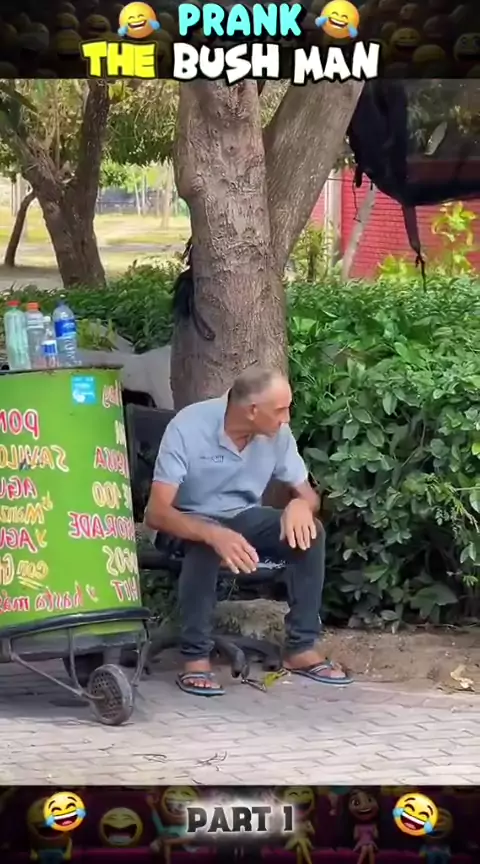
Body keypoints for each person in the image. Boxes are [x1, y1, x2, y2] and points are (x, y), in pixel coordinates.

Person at [145, 366, 352, 695]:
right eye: (280, 410)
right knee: (207, 540)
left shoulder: (277, 434)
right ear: (252, 410)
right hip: (183, 521)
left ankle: (300, 647)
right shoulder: (188, 426)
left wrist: (301, 506)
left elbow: (309, 496)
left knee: (311, 532)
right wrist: (213, 533)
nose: (286, 418)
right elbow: (156, 513)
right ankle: (195, 657)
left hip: (243, 517)